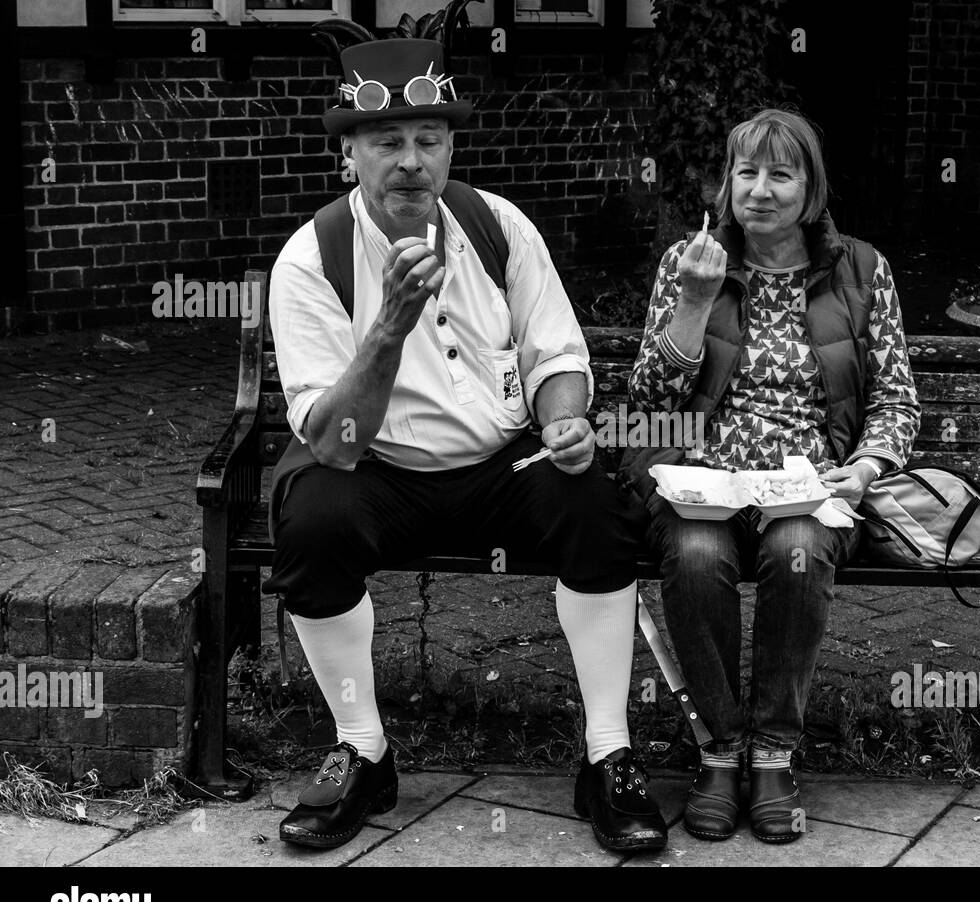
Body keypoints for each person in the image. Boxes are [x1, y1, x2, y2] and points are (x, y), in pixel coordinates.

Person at [263, 33, 666, 853]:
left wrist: (564, 417)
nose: (410, 161)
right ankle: (362, 751)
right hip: (378, 471)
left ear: (449, 148)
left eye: (429, 139)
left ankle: (607, 755)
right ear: (351, 153)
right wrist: (385, 333)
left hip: (501, 468)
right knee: (311, 519)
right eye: (388, 142)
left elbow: (556, 350)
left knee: (593, 504)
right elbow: (335, 440)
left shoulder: (498, 227)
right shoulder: (311, 260)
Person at [620, 108, 920, 843]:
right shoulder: (688, 264)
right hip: (702, 478)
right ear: (725, 185)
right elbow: (650, 402)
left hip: (808, 483)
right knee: (693, 556)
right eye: (745, 172)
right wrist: (693, 301)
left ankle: (775, 754)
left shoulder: (861, 270)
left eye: (780, 173)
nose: (760, 189)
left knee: (798, 550)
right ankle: (720, 750)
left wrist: (865, 468)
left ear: (809, 187)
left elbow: (895, 397)